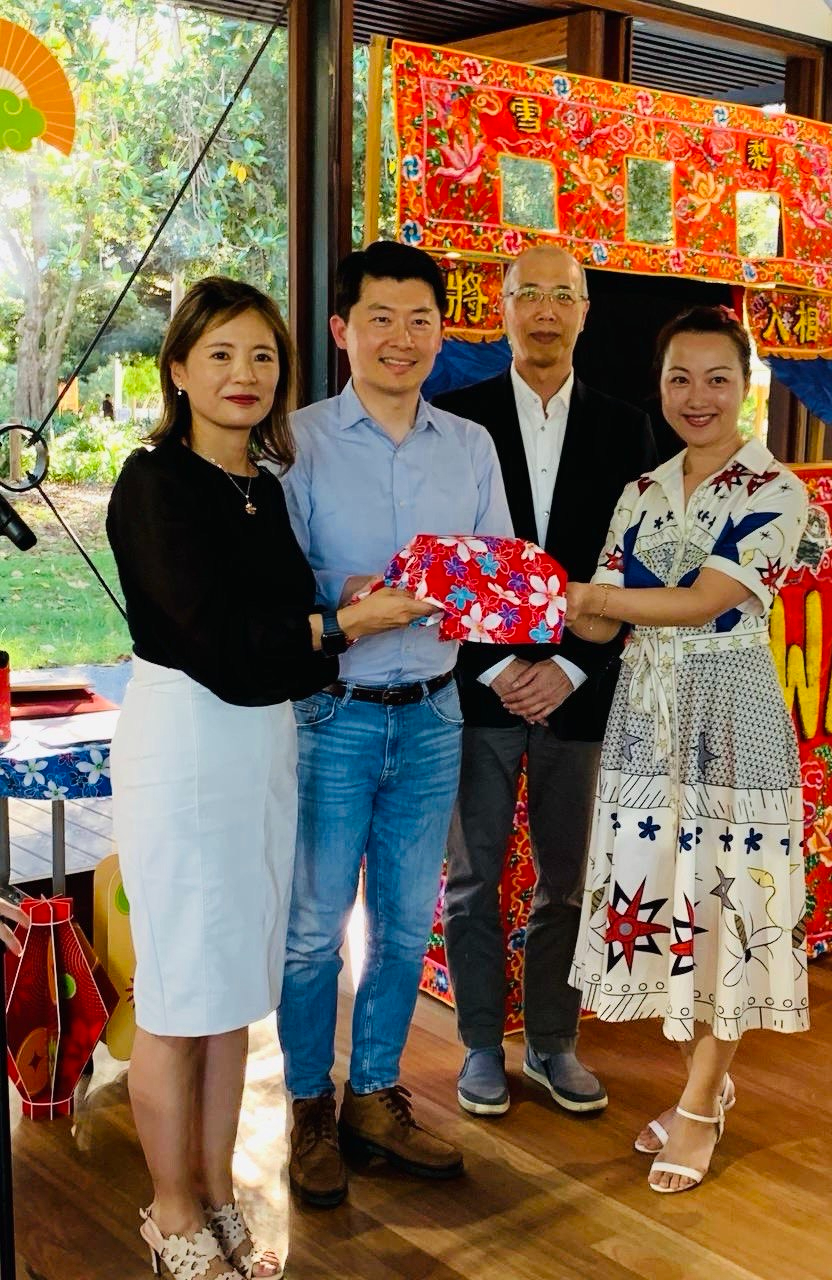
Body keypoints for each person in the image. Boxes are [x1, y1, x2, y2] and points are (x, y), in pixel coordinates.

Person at [107, 277, 432, 1280]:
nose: (244, 375)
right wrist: (345, 624)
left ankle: (215, 1190)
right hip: (187, 745)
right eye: (220, 354)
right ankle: (169, 1210)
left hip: (263, 746)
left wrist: (346, 601)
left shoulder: (263, 483)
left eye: (262, 357)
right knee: (178, 1000)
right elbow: (220, 641)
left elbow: (283, 621)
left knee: (229, 1000)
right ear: (177, 369)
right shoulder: (155, 481)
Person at [278, 241, 512, 1208]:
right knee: (312, 930)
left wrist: (476, 595)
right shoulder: (294, 442)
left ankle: (374, 1096)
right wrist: (351, 595)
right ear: (343, 330)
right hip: (330, 714)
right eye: (380, 318)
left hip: (433, 715)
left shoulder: (470, 446)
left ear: (442, 333)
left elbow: (498, 574)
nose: (401, 338)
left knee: (408, 923)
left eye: (421, 320)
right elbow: (274, 586)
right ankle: (306, 1105)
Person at [564, 304, 809, 1194]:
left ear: (748, 387)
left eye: (717, 378)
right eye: (679, 378)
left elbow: (705, 599)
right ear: (659, 386)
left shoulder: (775, 490)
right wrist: (531, 598)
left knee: (726, 906)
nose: (697, 396)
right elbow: (600, 619)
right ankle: (706, 1081)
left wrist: (590, 598)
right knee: (669, 900)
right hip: (645, 716)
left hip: (733, 717)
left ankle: (701, 1105)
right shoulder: (641, 490)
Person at [432, 246, 661, 1117]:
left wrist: (568, 667)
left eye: (563, 295)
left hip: (580, 690)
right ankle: (480, 1045)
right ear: (500, 306)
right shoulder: (456, 421)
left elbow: (639, 568)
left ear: (585, 311)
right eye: (528, 293)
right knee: (472, 878)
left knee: (566, 879)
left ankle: (553, 1042)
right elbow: (444, 566)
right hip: (477, 686)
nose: (545, 311)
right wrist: (498, 666)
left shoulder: (628, 428)